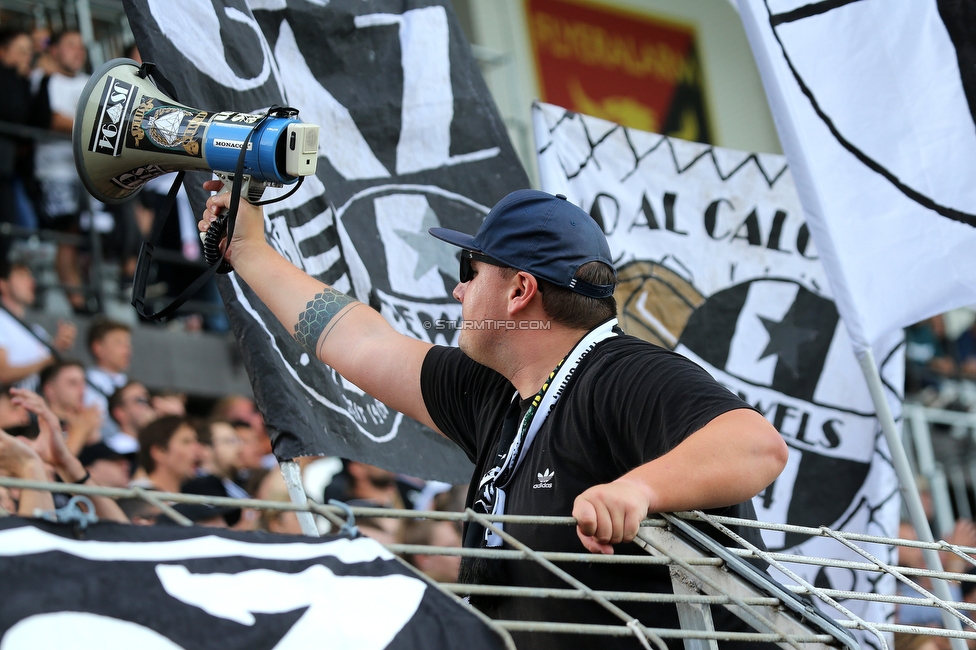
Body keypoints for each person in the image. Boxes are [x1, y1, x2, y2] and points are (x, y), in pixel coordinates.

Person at [199, 187, 787, 649]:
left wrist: (638, 489)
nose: (457, 291)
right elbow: (356, 341)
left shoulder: (622, 373)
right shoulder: (494, 391)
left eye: (470, 269)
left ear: (519, 291)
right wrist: (248, 249)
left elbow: (756, 446)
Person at [30, 30, 92, 313]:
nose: (78, 52)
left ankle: (83, 295)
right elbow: (50, 119)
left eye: (81, 47)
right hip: (55, 171)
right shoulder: (43, 79)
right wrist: (91, 127)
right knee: (66, 235)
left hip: (86, 173)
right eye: (70, 45)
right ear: (53, 50)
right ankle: (75, 301)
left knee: (86, 238)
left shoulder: (91, 82)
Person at [0, 259, 75, 389]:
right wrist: (52, 355)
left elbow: (50, 370)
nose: (31, 282)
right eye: (22, 275)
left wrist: (61, 347)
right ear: (2, 284)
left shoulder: (36, 331)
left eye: (30, 276)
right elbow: (3, 374)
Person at [83, 318, 132, 440]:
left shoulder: (129, 383)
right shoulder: (86, 381)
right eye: (119, 343)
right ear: (98, 347)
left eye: (128, 344)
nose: (127, 350)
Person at [38, 359, 100, 455]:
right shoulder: (40, 427)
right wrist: (81, 430)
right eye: (73, 383)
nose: (82, 390)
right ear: (50, 390)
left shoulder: (88, 421)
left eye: (83, 383)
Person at [135, 415, 201, 494]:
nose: (198, 449)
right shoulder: (135, 498)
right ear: (159, 452)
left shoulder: (191, 497)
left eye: (196, 441)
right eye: (186, 442)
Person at [106, 380, 156, 454]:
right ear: (120, 413)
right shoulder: (111, 450)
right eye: (141, 400)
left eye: (148, 400)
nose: (147, 407)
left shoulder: (153, 448)